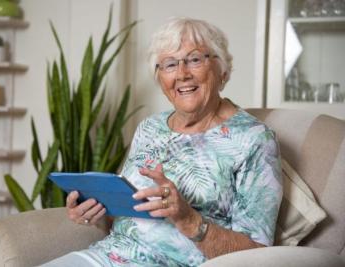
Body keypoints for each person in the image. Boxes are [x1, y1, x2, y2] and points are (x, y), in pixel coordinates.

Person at [42, 17, 283, 267]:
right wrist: (93, 210)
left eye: (195, 59)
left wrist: (188, 219)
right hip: (105, 258)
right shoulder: (150, 127)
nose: (182, 74)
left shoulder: (254, 139)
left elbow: (258, 255)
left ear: (222, 70)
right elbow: (124, 218)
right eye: (169, 64)